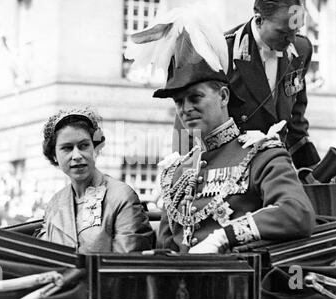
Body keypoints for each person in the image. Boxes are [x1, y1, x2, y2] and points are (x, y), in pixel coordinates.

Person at [126, 4, 315, 253]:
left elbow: (297, 211)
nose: (186, 109)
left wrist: (225, 236)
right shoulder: (176, 174)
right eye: (179, 101)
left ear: (224, 96)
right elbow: (169, 246)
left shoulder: (263, 157)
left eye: (195, 98)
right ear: (259, 19)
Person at [37, 108, 155, 254]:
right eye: (67, 148)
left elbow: (127, 265)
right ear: (54, 155)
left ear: (96, 148)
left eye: (84, 146)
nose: (77, 155)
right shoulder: (54, 204)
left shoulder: (121, 197)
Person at [223, 0, 320, 169]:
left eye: (296, 31)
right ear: (259, 20)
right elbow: (193, 122)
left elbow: (295, 123)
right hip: (232, 171)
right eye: (283, 32)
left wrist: (313, 171)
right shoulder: (223, 50)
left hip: (277, 168)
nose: (291, 40)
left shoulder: (301, 49)